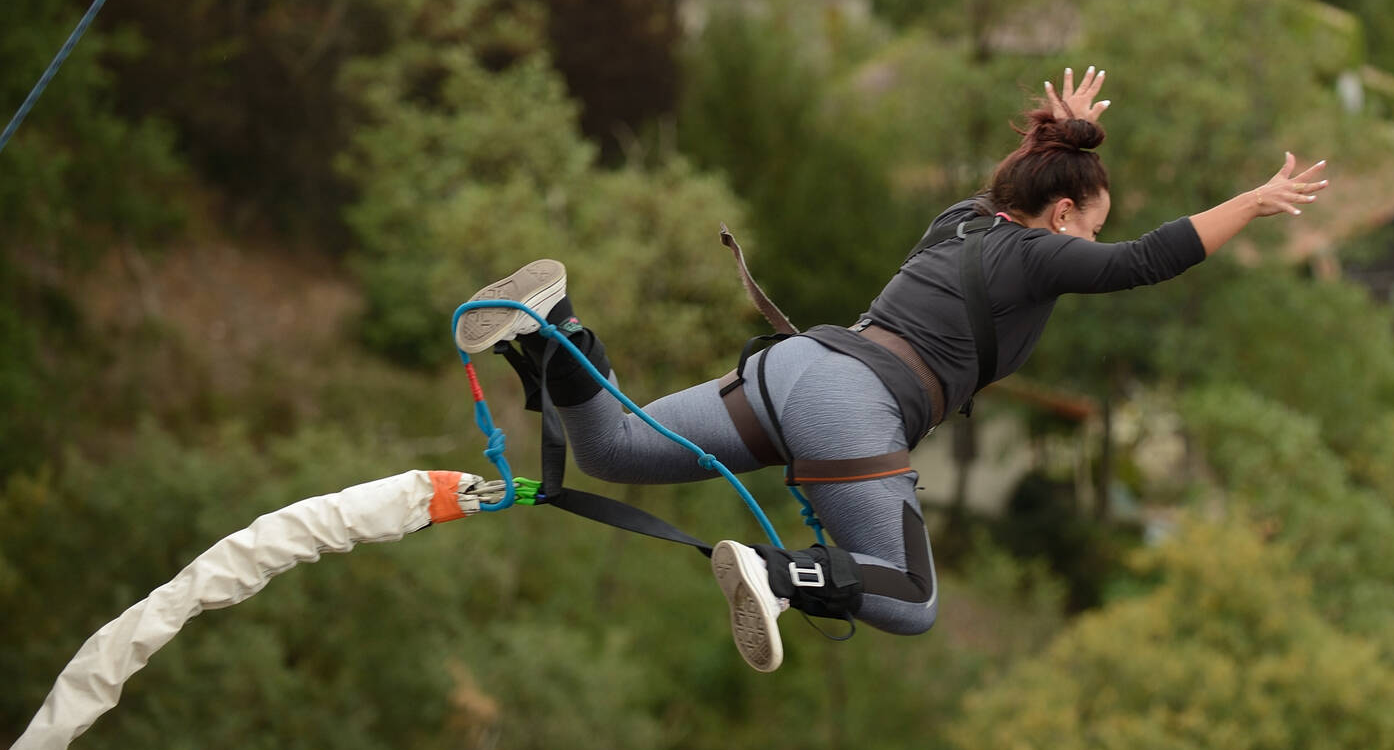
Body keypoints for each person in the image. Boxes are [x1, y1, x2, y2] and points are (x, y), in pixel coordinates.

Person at [456, 68, 1330, 672]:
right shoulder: (1040, 254)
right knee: (910, 599)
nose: (1091, 248)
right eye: (1090, 226)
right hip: (852, 404)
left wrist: (1063, 134)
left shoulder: (964, 216)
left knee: (609, 447)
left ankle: (554, 326)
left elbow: (1051, 197)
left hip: (796, 366)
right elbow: (1150, 260)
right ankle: (779, 574)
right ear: (1063, 213)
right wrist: (1252, 202)